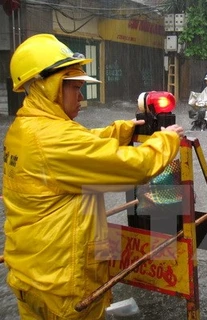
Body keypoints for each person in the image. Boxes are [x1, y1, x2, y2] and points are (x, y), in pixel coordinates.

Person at [2, 33, 184, 319]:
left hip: (30, 277)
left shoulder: (25, 129)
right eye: (74, 87)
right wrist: (166, 140)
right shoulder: (55, 139)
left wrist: (121, 130)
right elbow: (134, 167)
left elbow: (81, 144)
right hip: (64, 289)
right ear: (48, 87)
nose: (81, 96)